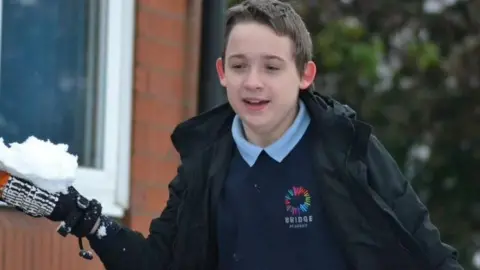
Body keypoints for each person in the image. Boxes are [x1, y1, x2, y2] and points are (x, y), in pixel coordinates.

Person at [0, 0, 464, 269]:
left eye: (272, 67)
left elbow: (428, 255)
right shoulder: (206, 160)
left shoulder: (348, 150)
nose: (253, 82)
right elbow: (162, 264)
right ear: (222, 72)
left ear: (305, 75)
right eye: (239, 66)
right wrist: (87, 220)